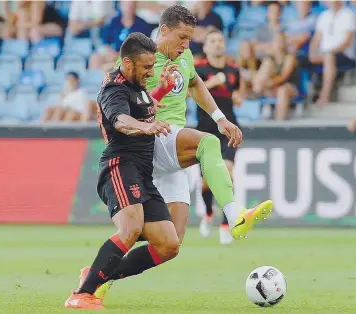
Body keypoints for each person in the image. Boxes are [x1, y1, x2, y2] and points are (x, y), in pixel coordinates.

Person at [77, 4, 273, 303]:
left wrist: (220, 117)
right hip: (155, 139)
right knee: (207, 143)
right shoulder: (141, 58)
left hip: (171, 147)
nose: (186, 45)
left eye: (189, 39)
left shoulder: (184, 57)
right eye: (181, 38)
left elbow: (194, 83)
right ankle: (234, 216)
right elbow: (117, 101)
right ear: (163, 30)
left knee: (170, 244)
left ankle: (99, 274)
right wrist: (138, 122)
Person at [64, 33, 179, 309]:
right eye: (147, 67)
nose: (151, 72)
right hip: (119, 165)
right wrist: (145, 127)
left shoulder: (135, 83)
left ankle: (93, 277)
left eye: (153, 66)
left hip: (142, 172)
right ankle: (80, 296)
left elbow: (142, 107)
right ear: (127, 63)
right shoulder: (113, 89)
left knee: (168, 244)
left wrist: (160, 91)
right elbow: (121, 120)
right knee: (131, 228)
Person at [194, 30, 245, 244]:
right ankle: (208, 213)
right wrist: (213, 83)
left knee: (227, 171)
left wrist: (239, 98)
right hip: (205, 131)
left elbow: (240, 94)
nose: (217, 45)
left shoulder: (234, 70)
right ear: (205, 47)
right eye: (212, 41)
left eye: (221, 41)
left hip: (228, 130)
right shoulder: (198, 70)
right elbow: (189, 93)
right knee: (206, 183)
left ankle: (226, 225)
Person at [309, 0, 356, 106]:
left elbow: (347, 42)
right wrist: (312, 54)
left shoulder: (349, 15)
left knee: (329, 57)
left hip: (343, 54)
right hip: (324, 54)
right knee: (299, 59)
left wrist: (329, 52)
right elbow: (316, 38)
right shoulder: (324, 16)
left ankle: (324, 95)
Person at [88, 1, 153, 71]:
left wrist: (121, 55)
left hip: (131, 58)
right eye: (126, 5)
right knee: (95, 58)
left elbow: (144, 49)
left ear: (135, 6)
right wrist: (109, 51)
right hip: (113, 55)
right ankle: (93, 80)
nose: (128, 8)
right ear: (121, 6)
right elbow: (105, 41)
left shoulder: (143, 25)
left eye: (131, 5)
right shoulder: (114, 22)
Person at [253, 32, 299, 120]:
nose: (279, 43)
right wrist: (262, 84)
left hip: (290, 87)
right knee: (266, 66)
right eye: (277, 41)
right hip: (274, 87)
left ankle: (279, 122)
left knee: (282, 90)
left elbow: (284, 77)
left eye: (281, 40)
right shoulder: (269, 60)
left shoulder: (290, 57)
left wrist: (271, 82)